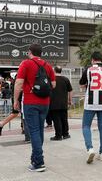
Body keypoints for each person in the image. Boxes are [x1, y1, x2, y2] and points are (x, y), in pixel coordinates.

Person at [13, 43, 56, 172]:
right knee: (39, 130)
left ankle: (39, 162)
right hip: (45, 102)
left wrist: (16, 100)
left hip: (30, 102)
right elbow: (53, 84)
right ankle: (35, 158)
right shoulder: (48, 65)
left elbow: (19, 83)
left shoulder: (25, 64)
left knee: (34, 131)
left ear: (30, 52)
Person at [79, 51, 102, 164]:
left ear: (93, 60)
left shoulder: (89, 70)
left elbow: (82, 84)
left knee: (86, 126)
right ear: (101, 59)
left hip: (91, 102)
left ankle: (90, 149)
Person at [49, 66, 73, 141]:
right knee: (64, 119)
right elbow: (70, 91)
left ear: (54, 71)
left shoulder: (51, 80)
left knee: (56, 119)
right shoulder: (66, 79)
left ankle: (58, 135)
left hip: (53, 103)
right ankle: (66, 134)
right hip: (64, 103)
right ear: (61, 71)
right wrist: (70, 100)